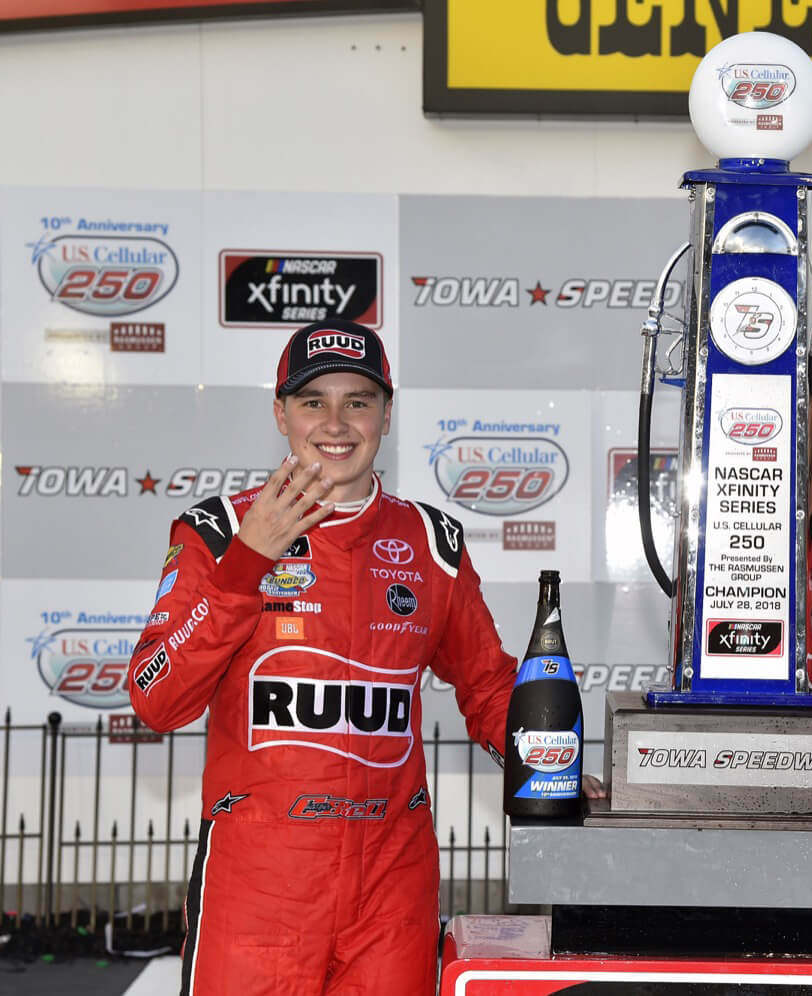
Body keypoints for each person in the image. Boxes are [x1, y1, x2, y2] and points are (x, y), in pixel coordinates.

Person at [127, 320, 520, 996]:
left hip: (391, 891)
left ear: (387, 415)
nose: (335, 423)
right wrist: (245, 565)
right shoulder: (218, 531)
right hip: (259, 887)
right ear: (280, 414)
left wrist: (547, 754)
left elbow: (487, 684)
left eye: (358, 401)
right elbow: (155, 697)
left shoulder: (431, 540)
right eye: (313, 402)